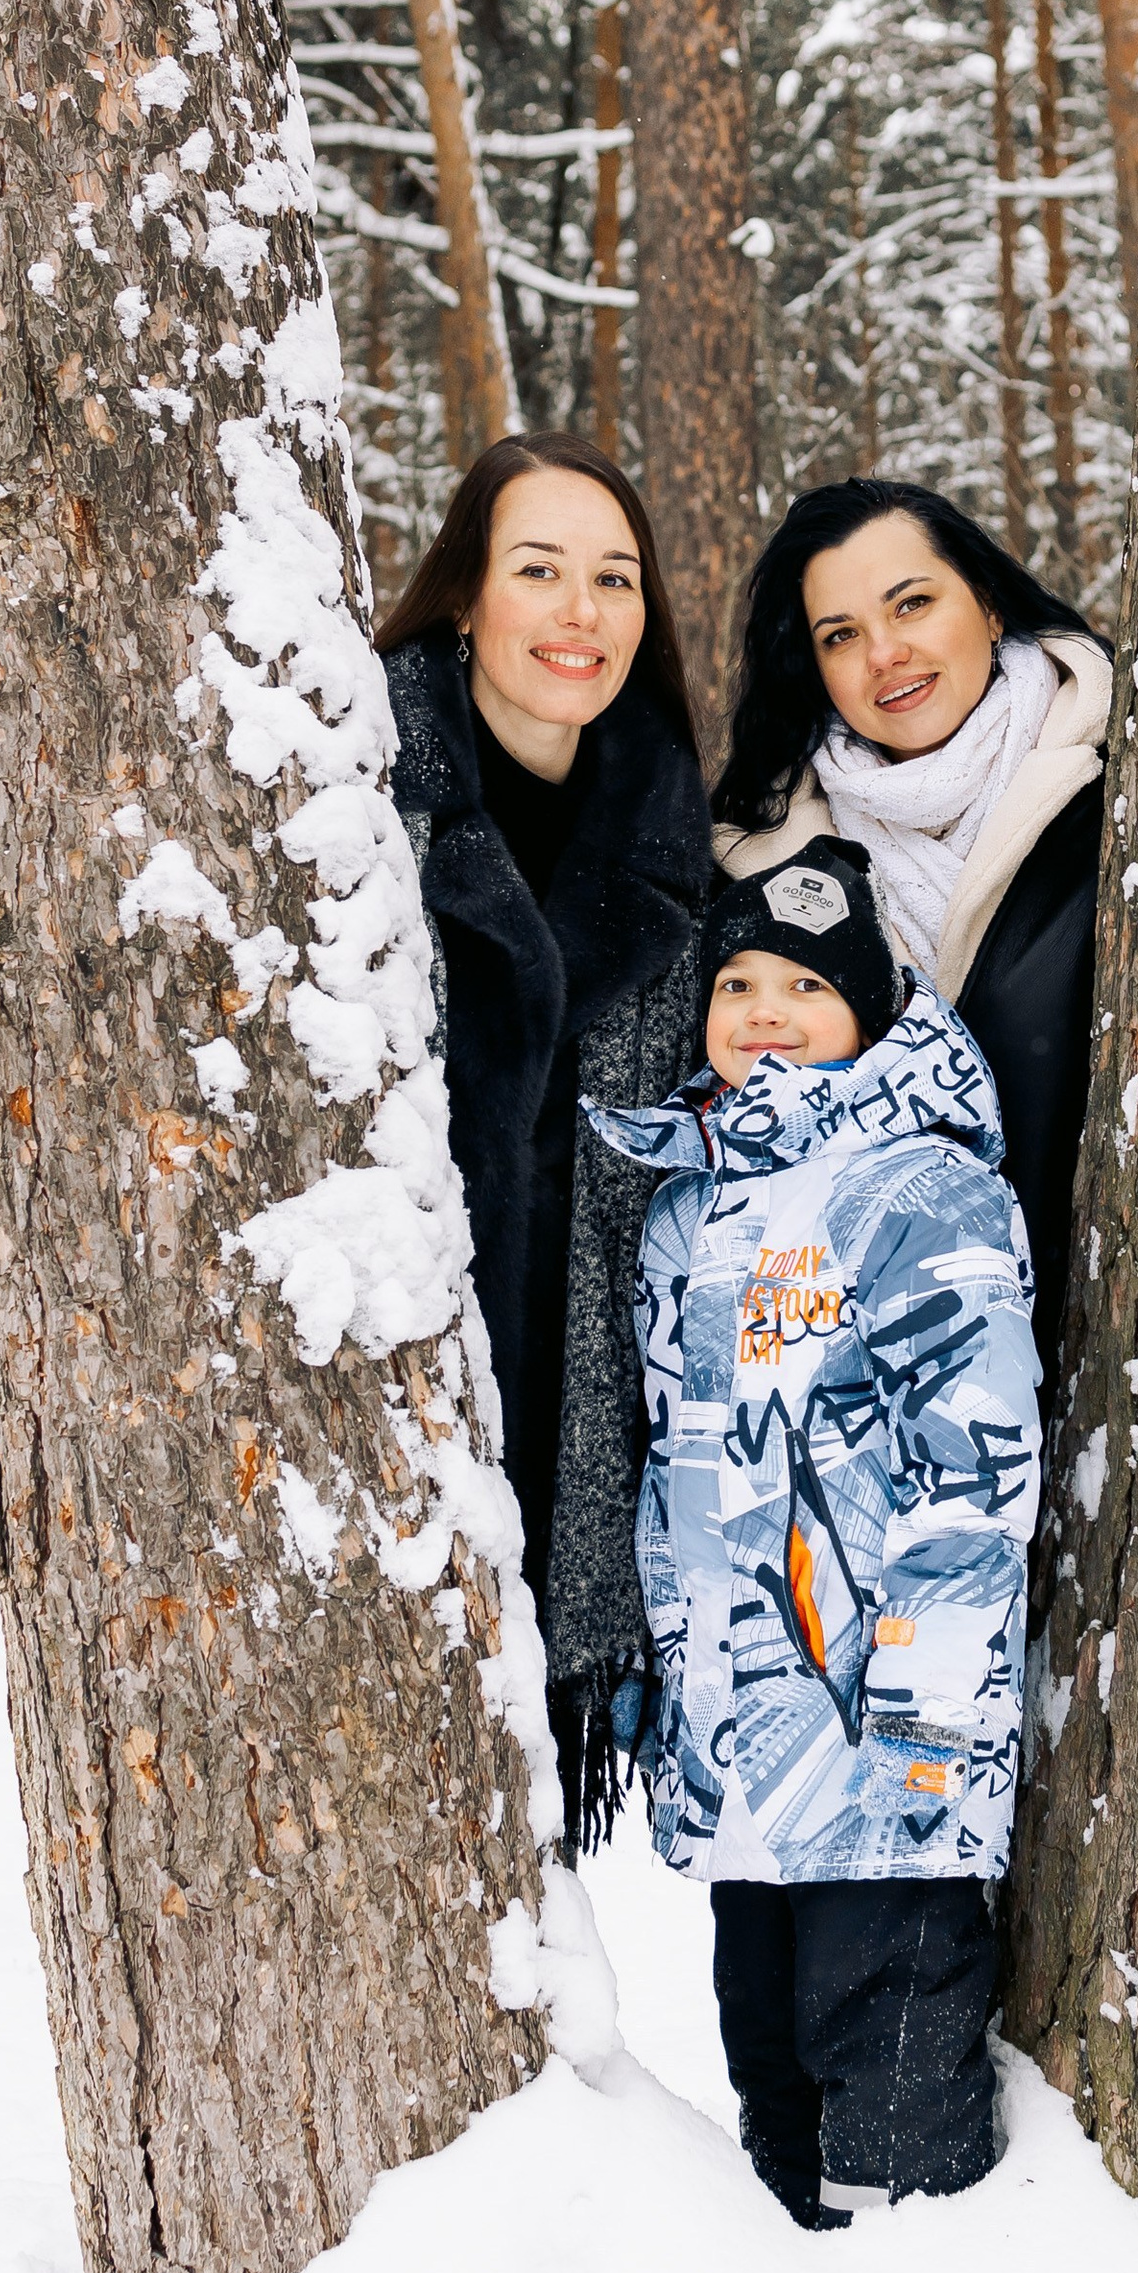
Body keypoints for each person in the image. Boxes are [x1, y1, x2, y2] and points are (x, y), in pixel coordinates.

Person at [586, 839, 1042, 2225]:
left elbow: (974, 1474)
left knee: (889, 2095)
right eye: (736, 982)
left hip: (886, 1758)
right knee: (770, 2079)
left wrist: (926, 1724)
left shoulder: (926, 1190)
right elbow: (680, 1467)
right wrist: (667, 1675)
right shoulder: (692, 1204)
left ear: (871, 1012)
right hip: (745, 1757)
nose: (764, 1010)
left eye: (803, 983)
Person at [378, 433, 711, 1847]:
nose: (581, 613)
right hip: (393, 1426)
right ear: (465, 598)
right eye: (539, 571)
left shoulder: (683, 847)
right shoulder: (359, 806)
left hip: (578, 1440)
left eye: (614, 579)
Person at [711, 480, 1109, 1407]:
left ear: (989, 599)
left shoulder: (1122, 794)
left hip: (1107, 1367)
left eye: (912, 604)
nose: (885, 655)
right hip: (873, 1417)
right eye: (839, 635)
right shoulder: (763, 868)